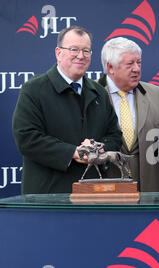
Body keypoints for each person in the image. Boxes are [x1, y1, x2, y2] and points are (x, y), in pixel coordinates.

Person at [12, 26, 122, 194]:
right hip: (48, 197)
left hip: (93, 193)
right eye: (74, 49)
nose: (81, 56)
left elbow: (114, 136)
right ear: (58, 53)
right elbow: (27, 138)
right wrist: (73, 152)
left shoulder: (99, 92)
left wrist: (97, 149)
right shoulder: (34, 90)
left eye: (86, 51)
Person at [98, 37, 159, 192]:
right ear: (110, 67)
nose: (137, 69)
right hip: (107, 194)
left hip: (151, 193)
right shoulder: (92, 97)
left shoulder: (156, 94)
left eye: (138, 62)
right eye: (130, 64)